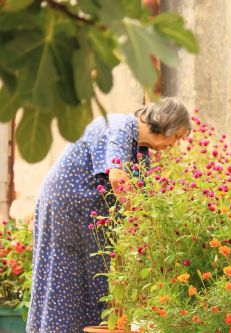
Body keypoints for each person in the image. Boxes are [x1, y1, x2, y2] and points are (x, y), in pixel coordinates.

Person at [26, 97, 191, 333]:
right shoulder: (119, 126)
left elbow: (144, 194)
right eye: (177, 137)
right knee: (62, 279)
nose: (174, 144)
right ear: (166, 124)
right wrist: (141, 222)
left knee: (93, 280)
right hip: (67, 210)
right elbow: (117, 177)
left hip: (90, 220)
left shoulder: (140, 149)